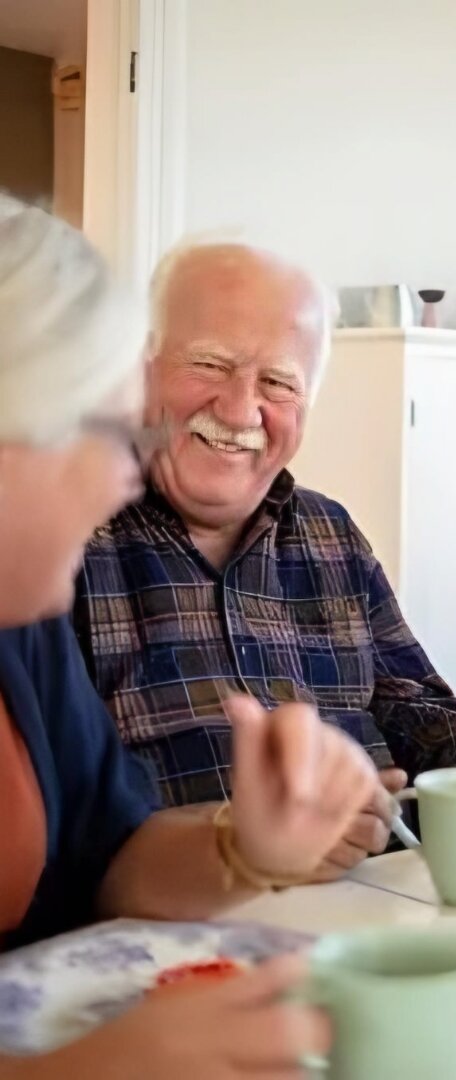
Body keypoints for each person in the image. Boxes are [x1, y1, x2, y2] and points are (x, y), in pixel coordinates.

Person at [73, 241, 456, 843]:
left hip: (381, 902)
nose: (239, 410)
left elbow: (427, 727)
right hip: (180, 928)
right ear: (141, 367)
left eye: (278, 381)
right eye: (208, 364)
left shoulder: (331, 536)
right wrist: (242, 851)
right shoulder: (69, 543)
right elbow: (61, 829)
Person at [0, 198, 377, 1072]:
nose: (130, 477)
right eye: (107, 433)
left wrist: (243, 848)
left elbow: (114, 857)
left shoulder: (23, 625)